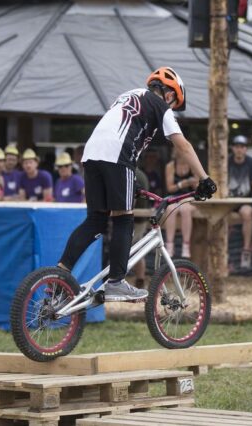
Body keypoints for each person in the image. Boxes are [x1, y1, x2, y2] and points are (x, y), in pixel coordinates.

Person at [57, 66, 216, 302]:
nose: (171, 109)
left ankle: (60, 274)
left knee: (96, 220)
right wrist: (204, 178)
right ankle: (116, 283)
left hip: (91, 156)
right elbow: (182, 145)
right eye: (174, 104)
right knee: (123, 218)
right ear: (170, 95)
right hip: (118, 156)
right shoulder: (160, 105)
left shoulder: (128, 95)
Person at [229, 134, 252, 269]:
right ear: (232, 148)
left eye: (242, 147)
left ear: (245, 149)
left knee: (247, 213)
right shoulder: (226, 160)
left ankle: (246, 249)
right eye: (237, 147)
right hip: (228, 201)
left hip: (245, 200)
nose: (239, 150)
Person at [164, 154, 198, 258]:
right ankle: (169, 245)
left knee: (185, 209)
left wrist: (192, 183)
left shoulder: (193, 164)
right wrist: (182, 184)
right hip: (175, 197)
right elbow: (170, 188)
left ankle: (186, 245)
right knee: (170, 209)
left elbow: (198, 187)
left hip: (190, 198)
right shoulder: (170, 166)